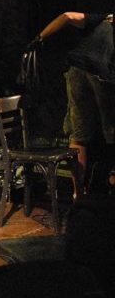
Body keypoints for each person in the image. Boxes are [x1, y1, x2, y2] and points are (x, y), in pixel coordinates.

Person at [30, 11, 115, 197]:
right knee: (111, 129)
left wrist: (39, 38)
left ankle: (78, 193)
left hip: (76, 68)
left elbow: (67, 16)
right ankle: (112, 181)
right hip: (102, 72)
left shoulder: (102, 19)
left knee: (79, 132)